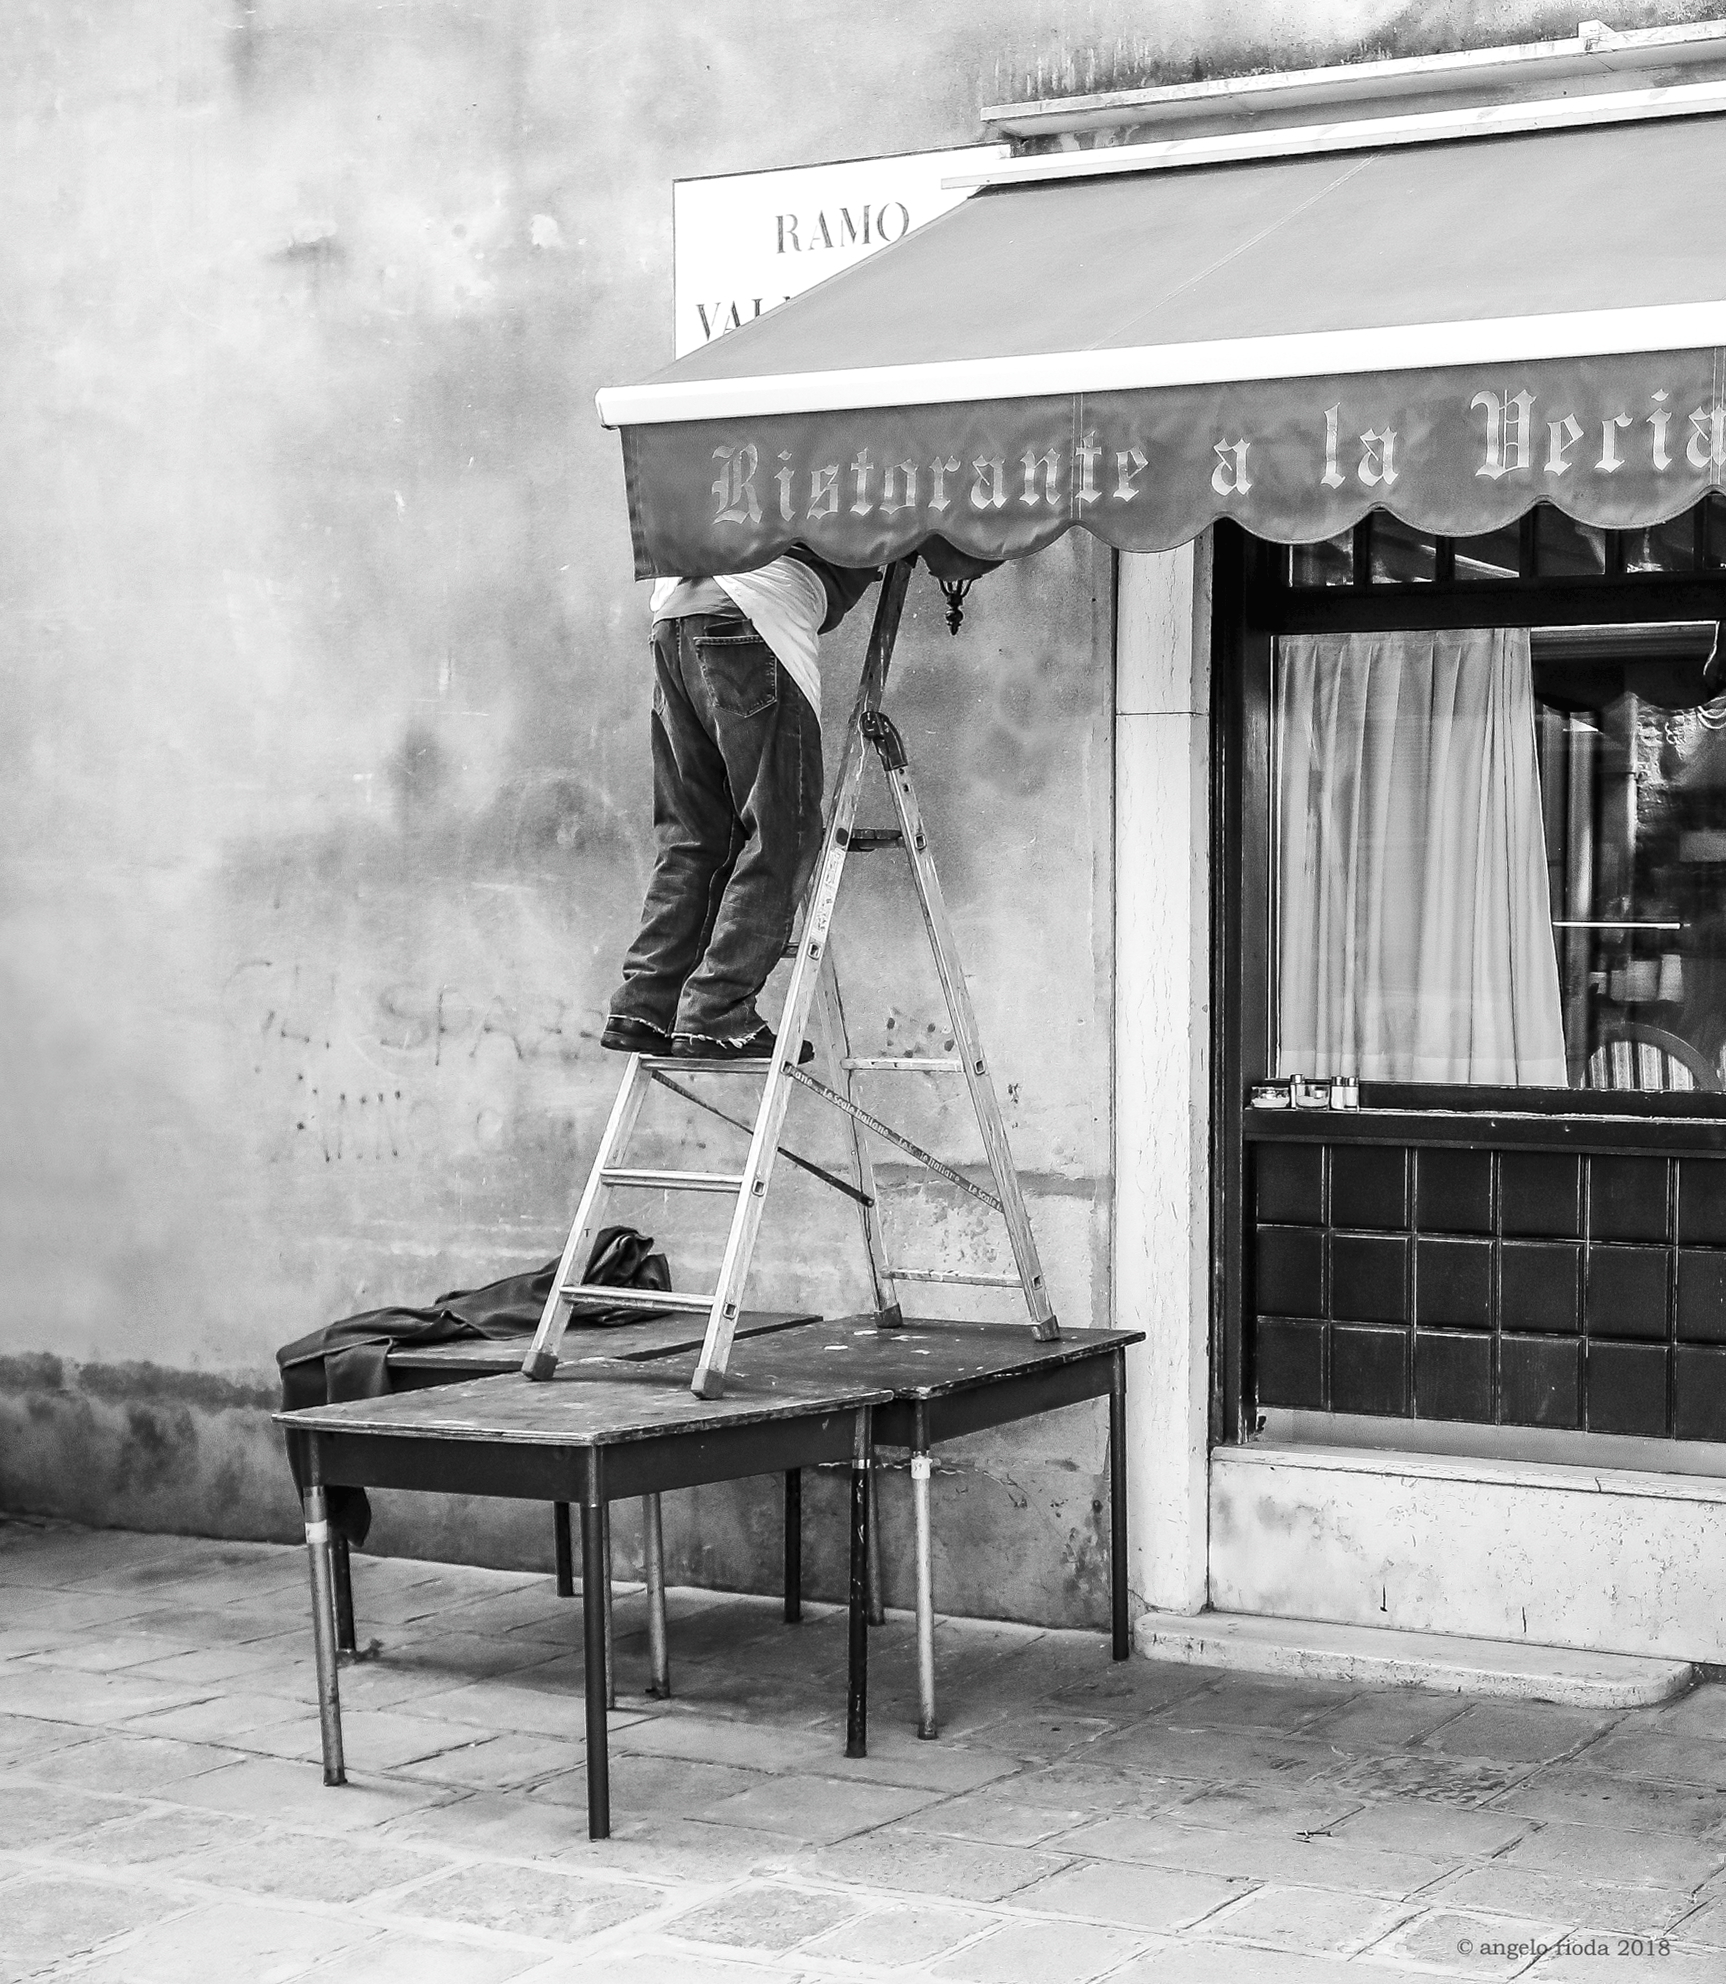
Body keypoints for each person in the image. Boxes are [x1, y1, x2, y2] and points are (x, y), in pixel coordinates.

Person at [602, 545, 879, 1061]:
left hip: (675, 618)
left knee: (694, 836)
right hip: (751, 616)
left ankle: (645, 1004)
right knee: (783, 830)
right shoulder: (859, 490)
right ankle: (715, 1011)